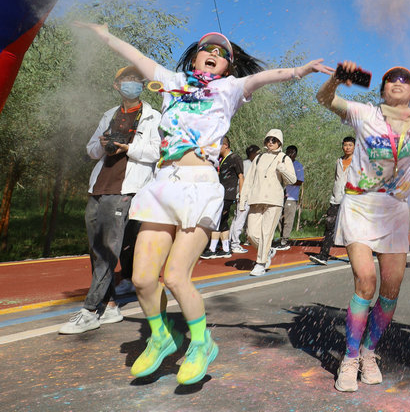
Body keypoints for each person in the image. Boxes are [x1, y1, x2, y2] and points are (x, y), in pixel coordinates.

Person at [75, 22, 331, 385]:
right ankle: (162, 337)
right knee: (143, 279)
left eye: (221, 53)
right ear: (194, 56)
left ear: (228, 65)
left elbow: (263, 78)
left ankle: (201, 343)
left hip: (199, 187)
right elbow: (137, 57)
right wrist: (104, 35)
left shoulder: (229, 88)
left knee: (175, 277)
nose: (213, 53)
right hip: (163, 184)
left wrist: (299, 71)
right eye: (206, 48)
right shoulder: (171, 81)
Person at [316, 25, 410, 393]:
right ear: (382, 90)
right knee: (366, 281)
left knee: (391, 289)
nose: (398, 82)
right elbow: (324, 99)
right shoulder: (364, 114)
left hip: (394, 211)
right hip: (360, 205)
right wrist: (337, 79)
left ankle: (369, 351)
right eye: (391, 79)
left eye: (405, 79)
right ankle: (349, 358)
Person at [59, 66, 161, 335]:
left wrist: (129, 147)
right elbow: (91, 150)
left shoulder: (153, 116)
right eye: (127, 80)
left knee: (107, 249)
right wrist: (103, 144)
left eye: (136, 80)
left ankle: (90, 310)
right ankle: (111, 305)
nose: (132, 84)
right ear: (117, 85)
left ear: (142, 86)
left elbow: (156, 152)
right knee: (96, 250)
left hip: (125, 188)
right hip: (98, 186)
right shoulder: (109, 115)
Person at [240, 130, 296, 276]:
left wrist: (282, 168)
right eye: (268, 139)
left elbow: (292, 180)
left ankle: (261, 263)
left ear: (280, 142)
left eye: (274, 140)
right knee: (251, 234)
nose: (271, 142)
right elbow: (249, 180)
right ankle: (268, 251)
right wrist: (242, 200)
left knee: (266, 233)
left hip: (274, 201)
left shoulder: (284, 158)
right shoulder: (258, 158)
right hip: (256, 199)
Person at [309, 136, 355, 265]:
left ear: (355, 147)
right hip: (336, 199)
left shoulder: (357, 162)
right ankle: (323, 255)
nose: (347, 148)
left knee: (349, 229)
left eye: (350, 145)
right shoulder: (339, 161)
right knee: (329, 225)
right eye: (345, 145)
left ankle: (354, 256)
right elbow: (337, 179)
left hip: (351, 199)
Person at [202, 136, 243, 259]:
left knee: (217, 220)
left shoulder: (235, 158)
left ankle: (212, 248)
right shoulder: (220, 159)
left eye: (218, 145)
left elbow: (241, 177)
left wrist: (241, 194)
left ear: (225, 145)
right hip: (219, 194)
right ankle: (225, 249)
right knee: (223, 221)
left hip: (227, 194)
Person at [229, 144, 260, 254]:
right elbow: (243, 180)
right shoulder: (247, 164)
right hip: (244, 196)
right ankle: (235, 244)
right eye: (257, 153)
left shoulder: (247, 163)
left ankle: (230, 241)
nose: (259, 155)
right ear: (252, 153)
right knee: (240, 220)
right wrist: (242, 195)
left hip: (244, 196)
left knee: (237, 219)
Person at [277, 145, 305, 250]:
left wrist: (288, 180)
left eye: (292, 152)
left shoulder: (298, 166)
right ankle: (281, 238)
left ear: (295, 154)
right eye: (288, 152)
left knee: (288, 220)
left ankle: (285, 240)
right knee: (279, 219)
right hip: (279, 197)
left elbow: (300, 181)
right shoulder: (281, 164)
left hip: (291, 197)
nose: (290, 154)